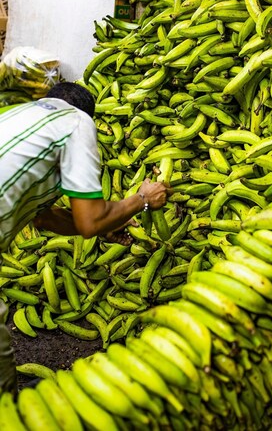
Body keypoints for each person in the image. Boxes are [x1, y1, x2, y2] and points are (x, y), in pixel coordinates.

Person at [0, 81, 169, 394]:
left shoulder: (20, 116)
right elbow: (89, 220)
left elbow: (44, 216)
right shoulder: (77, 121)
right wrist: (142, 199)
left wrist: (104, 224)